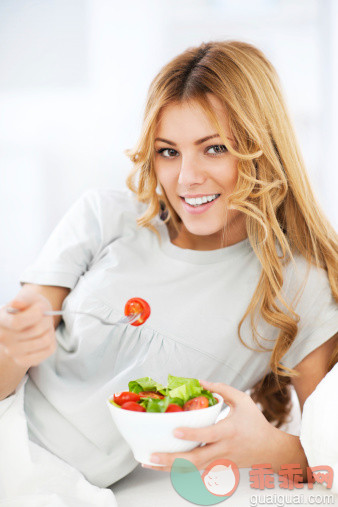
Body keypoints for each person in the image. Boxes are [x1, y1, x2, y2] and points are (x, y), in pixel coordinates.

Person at [0, 40, 337, 488]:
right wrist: (10, 346)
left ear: (264, 147)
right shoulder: (103, 216)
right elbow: (16, 345)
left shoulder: (298, 284)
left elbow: (325, 464)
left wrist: (268, 446)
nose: (186, 178)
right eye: (168, 151)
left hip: (65, 490)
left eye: (214, 148)